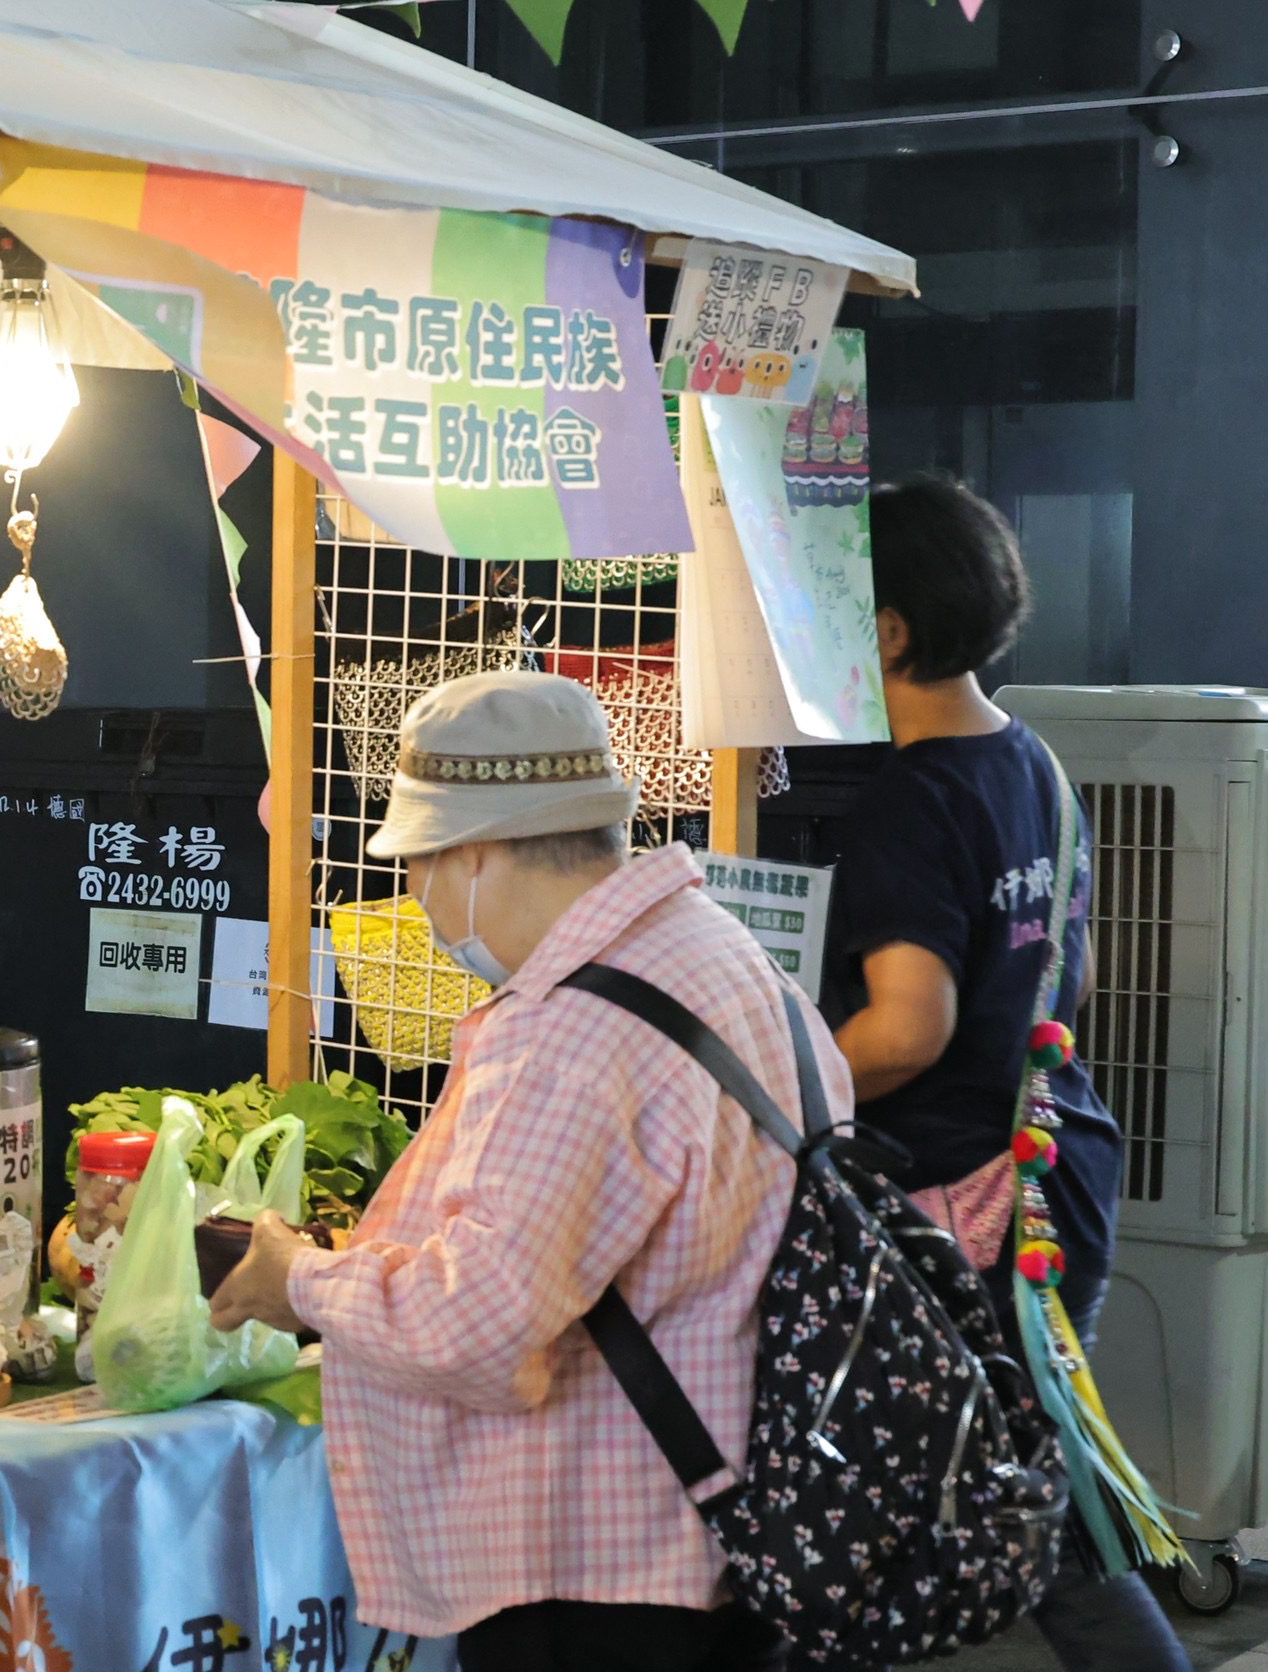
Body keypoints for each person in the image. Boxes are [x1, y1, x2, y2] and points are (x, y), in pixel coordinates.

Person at [213, 669, 840, 1672]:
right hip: (737, 1528)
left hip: (603, 1575)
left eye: (418, 864)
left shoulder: (572, 1031)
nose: (416, 897)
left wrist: (297, 1279)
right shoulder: (724, 954)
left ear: (475, 855)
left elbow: (478, 1327)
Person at [822, 475, 1187, 1672]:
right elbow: (1063, 988)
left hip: (967, 1208)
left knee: (1034, 1515)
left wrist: (776, 1081)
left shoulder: (913, 800)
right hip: (1058, 1167)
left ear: (886, 631)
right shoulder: (1032, 763)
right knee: (1028, 1488)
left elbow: (906, 1029)